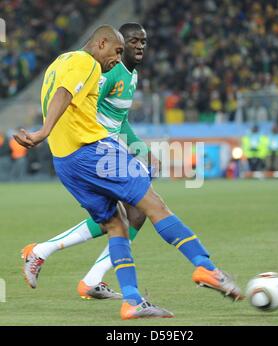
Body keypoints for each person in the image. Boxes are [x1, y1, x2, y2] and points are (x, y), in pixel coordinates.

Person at [15, 25, 243, 320]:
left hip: (66, 162)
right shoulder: (86, 63)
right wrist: (43, 131)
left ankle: (132, 300)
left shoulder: (61, 61)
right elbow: (64, 93)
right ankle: (206, 267)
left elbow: (72, 99)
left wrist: (135, 149)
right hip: (93, 150)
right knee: (153, 204)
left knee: (117, 225)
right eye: (118, 50)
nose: (118, 57)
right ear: (101, 42)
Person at [21, 23, 154, 300]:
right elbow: (80, 105)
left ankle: (86, 276)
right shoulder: (106, 71)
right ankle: (55, 258)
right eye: (132, 41)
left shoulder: (131, 76)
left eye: (143, 41)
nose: (139, 46)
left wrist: (140, 148)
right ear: (114, 44)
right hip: (97, 149)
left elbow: (121, 120)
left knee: (132, 214)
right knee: (134, 211)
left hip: (111, 147)